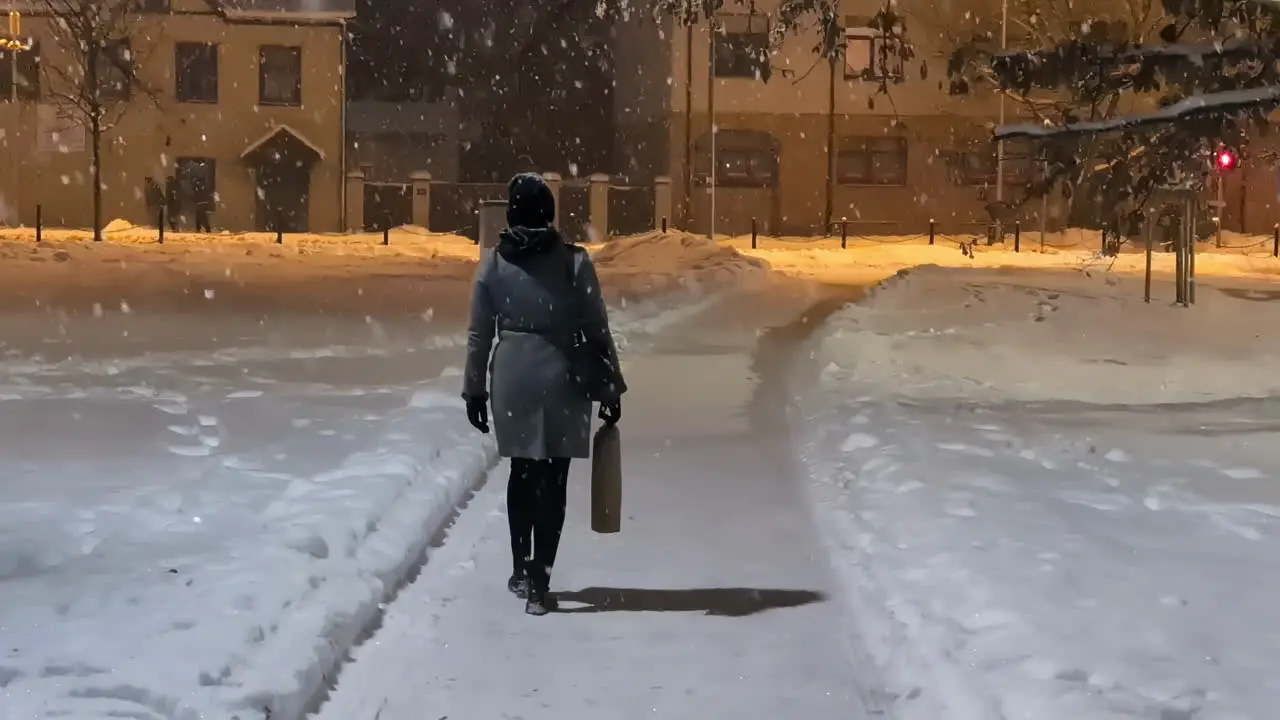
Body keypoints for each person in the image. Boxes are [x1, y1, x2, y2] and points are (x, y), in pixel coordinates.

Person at [463, 172, 625, 616]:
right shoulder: (575, 263)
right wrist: (609, 383)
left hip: (513, 375)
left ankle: (519, 566)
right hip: (563, 374)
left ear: (512, 212)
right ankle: (541, 577)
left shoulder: (494, 265)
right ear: (551, 214)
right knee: (554, 479)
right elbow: (596, 327)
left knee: (522, 472)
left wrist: (473, 389)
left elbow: (479, 335)